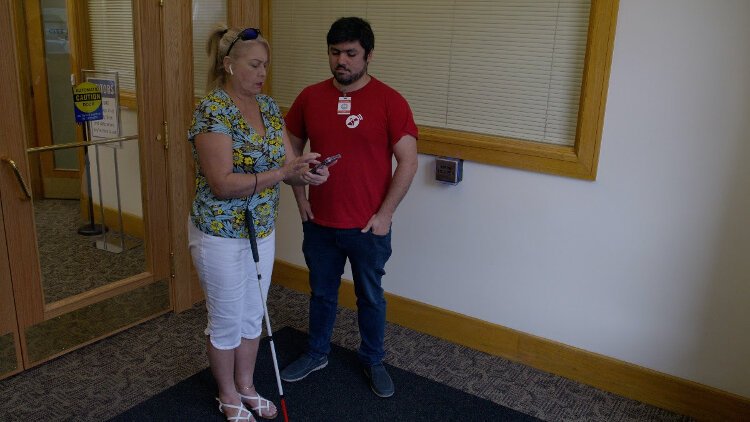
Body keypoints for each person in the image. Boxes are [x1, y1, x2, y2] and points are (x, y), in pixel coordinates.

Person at [188, 26, 329, 421]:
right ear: (229, 65)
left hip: (261, 229)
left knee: (253, 312)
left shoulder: (268, 106)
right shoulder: (212, 110)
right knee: (227, 318)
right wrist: (284, 171)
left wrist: (307, 172)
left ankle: (247, 385)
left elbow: (289, 169)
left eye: (265, 65)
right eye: (254, 64)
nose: (262, 72)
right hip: (220, 232)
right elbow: (222, 183)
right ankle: (227, 392)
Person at [280, 17, 419, 398]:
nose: (342, 60)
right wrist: (299, 196)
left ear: (368, 55)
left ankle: (373, 358)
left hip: (367, 226)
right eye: (335, 52)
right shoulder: (310, 97)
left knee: (370, 296)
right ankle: (317, 352)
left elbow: (408, 160)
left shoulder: (390, 101)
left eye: (351, 53)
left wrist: (385, 214)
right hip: (320, 223)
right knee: (322, 292)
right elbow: (288, 146)